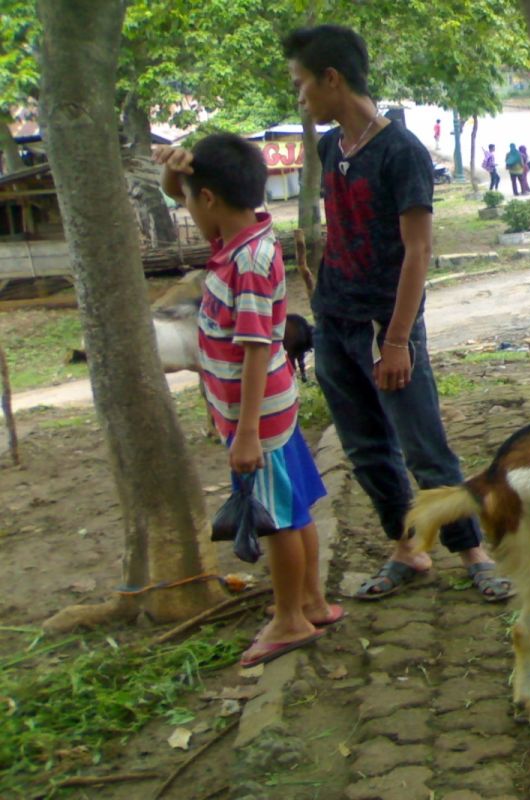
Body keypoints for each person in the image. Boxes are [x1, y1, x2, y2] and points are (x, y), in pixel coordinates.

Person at [282, 25, 513, 602]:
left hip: (388, 328)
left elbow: (418, 251)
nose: (300, 96)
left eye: (302, 83)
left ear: (332, 79)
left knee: (423, 446)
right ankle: (407, 549)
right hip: (334, 323)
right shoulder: (330, 146)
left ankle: (473, 552)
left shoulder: (401, 153)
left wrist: (396, 341)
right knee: (365, 450)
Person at [155, 134, 337, 667]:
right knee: (294, 510)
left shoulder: (249, 262)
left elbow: (258, 347)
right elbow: (184, 193)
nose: (183, 205)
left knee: (277, 521)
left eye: (189, 199)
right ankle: (313, 601)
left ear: (208, 200)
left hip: (257, 417)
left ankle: (289, 619)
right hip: (266, 412)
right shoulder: (238, 239)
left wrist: (248, 431)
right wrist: (175, 170)